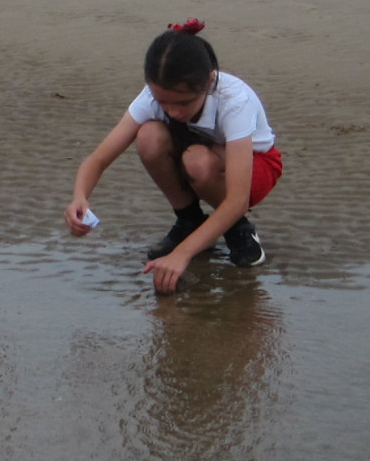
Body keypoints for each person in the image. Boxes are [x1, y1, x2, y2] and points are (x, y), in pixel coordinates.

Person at [64, 19, 283, 294]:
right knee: (149, 136)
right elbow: (97, 159)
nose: (173, 112)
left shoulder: (234, 100)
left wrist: (181, 255)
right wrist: (79, 197)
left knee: (196, 161)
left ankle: (238, 230)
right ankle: (189, 221)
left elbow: (238, 200)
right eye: (162, 102)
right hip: (201, 153)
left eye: (183, 103)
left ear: (209, 81)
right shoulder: (153, 96)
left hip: (256, 165)